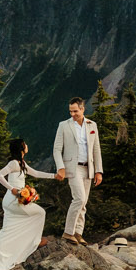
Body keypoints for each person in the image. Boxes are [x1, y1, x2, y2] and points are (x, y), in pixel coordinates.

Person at [0, 138, 49, 270]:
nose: (27, 145)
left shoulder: (22, 163)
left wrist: (56, 176)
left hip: (12, 200)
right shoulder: (14, 163)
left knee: (8, 230)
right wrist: (12, 189)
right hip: (14, 200)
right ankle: (33, 242)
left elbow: (36, 173)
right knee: (40, 213)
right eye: (25, 144)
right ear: (21, 148)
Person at [51, 96, 104, 243]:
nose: (72, 114)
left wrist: (98, 171)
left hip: (89, 168)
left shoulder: (92, 125)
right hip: (72, 168)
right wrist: (61, 167)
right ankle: (68, 232)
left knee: (83, 203)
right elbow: (56, 149)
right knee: (79, 198)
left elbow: (96, 149)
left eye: (75, 111)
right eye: (70, 111)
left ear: (82, 109)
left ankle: (78, 233)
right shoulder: (63, 125)